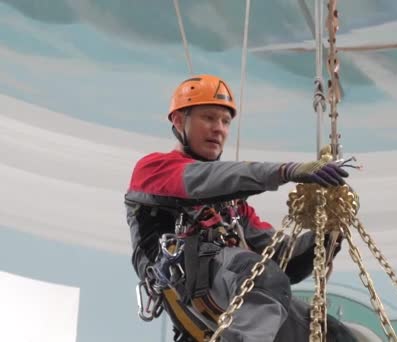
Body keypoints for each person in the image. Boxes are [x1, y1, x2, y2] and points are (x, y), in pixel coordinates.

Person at [124, 74, 357, 341]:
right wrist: (285, 171)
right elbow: (207, 179)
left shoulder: (234, 206)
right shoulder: (153, 170)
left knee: (333, 333)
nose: (219, 129)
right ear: (178, 121)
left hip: (232, 283)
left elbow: (283, 258)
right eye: (209, 118)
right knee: (260, 276)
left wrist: (327, 235)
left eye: (225, 121)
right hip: (184, 276)